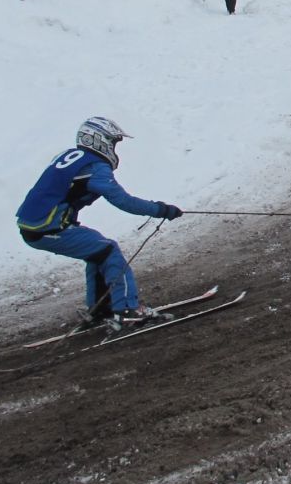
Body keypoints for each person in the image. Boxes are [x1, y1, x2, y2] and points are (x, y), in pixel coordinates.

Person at [16, 118, 183, 332]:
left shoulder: (69, 156)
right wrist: (161, 210)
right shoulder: (95, 167)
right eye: (113, 142)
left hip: (34, 226)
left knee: (98, 251)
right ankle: (127, 311)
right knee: (108, 250)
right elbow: (123, 201)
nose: (114, 148)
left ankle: (100, 308)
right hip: (47, 228)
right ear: (99, 140)